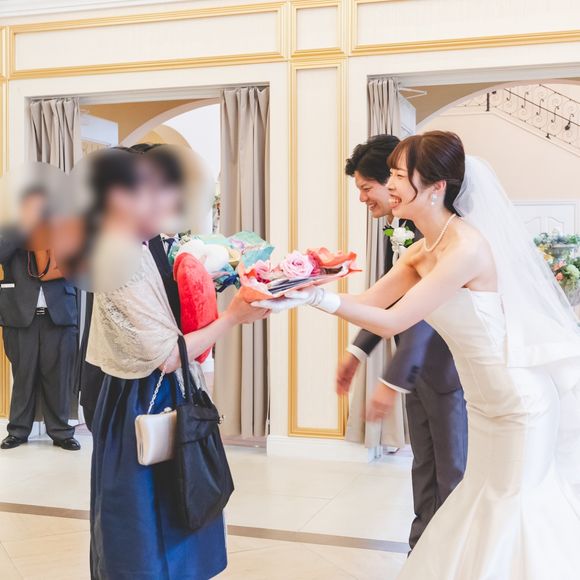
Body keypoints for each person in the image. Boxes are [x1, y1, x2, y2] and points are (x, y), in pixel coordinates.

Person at [255, 131, 580, 579]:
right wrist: (300, 287)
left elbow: (393, 321)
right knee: (481, 501)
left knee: (514, 508)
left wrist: (313, 298)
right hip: (484, 403)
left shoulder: (466, 248)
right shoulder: (421, 250)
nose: (388, 184)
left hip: (519, 403)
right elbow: (369, 303)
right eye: (389, 174)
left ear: (435, 187)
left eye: (397, 174)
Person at [80, 148, 270, 579]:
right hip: (137, 399)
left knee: (177, 507)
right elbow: (167, 356)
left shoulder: (135, 243)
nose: (169, 205)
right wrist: (233, 317)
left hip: (148, 392)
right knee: (141, 526)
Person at [338, 134, 467, 549]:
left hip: (448, 373)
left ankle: (448, 556)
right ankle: (421, 551)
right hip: (418, 375)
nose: (364, 197)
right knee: (424, 469)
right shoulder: (410, 234)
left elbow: (421, 316)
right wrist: (356, 351)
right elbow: (382, 301)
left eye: (368, 187)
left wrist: (392, 381)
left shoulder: (449, 240)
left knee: (453, 473)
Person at [0, 183, 80, 451]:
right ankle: (18, 431)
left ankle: (61, 432)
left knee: (59, 377)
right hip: (20, 313)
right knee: (22, 375)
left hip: (60, 313)